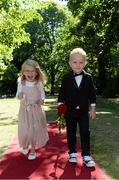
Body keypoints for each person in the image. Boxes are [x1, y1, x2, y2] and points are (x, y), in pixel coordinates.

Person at [58, 48, 96, 167]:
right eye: (75, 62)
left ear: (85, 63)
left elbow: (92, 94)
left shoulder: (88, 77)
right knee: (71, 133)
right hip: (70, 111)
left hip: (84, 111)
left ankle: (86, 155)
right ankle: (72, 153)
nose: (78, 65)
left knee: (85, 132)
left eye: (81, 62)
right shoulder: (66, 77)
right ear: (70, 63)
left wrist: (93, 108)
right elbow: (62, 92)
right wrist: (60, 104)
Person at [16, 59, 49, 160]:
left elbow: (42, 95)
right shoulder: (21, 82)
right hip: (25, 110)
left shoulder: (38, 83)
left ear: (37, 72)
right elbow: (18, 95)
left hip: (35, 109)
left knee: (34, 129)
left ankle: (33, 150)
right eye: (27, 71)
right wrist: (20, 95)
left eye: (33, 71)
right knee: (25, 129)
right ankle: (25, 145)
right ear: (23, 72)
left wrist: (41, 100)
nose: (30, 73)